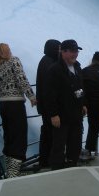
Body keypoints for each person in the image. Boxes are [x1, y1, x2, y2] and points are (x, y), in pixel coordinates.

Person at [0, 43, 36, 177]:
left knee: (9, 136)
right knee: (19, 136)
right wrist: (31, 96)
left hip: (3, 106)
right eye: (8, 49)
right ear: (3, 52)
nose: (10, 51)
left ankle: (10, 168)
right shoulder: (13, 61)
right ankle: (14, 172)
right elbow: (21, 79)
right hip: (15, 104)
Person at [44, 39, 87, 170]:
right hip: (61, 115)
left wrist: (83, 104)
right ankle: (56, 170)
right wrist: (53, 114)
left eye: (77, 51)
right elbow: (50, 94)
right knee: (59, 144)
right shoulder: (55, 70)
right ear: (63, 52)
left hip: (76, 114)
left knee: (75, 143)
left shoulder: (77, 67)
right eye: (73, 51)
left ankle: (72, 166)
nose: (76, 54)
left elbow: (80, 87)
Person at [36, 39, 61, 168]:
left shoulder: (45, 61)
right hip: (49, 108)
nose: (60, 51)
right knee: (49, 135)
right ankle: (47, 160)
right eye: (59, 48)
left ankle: (44, 160)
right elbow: (49, 88)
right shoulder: (50, 63)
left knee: (46, 133)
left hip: (45, 106)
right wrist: (53, 111)